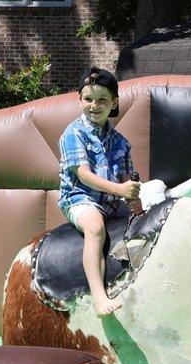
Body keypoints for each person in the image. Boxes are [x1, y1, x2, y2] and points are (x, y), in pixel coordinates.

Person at [58, 67, 142, 317]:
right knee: (95, 228)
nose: (95, 105)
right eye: (88, 99)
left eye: (102, 99)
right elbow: (83, 175)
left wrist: (135, 201)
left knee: (144, 223)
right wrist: (120, 189)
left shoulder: (122, 142)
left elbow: (127, 179)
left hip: (113, 202)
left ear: (115, 102)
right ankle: (98, 295)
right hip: (80, 199)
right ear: (79, 100)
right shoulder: (73, 134)